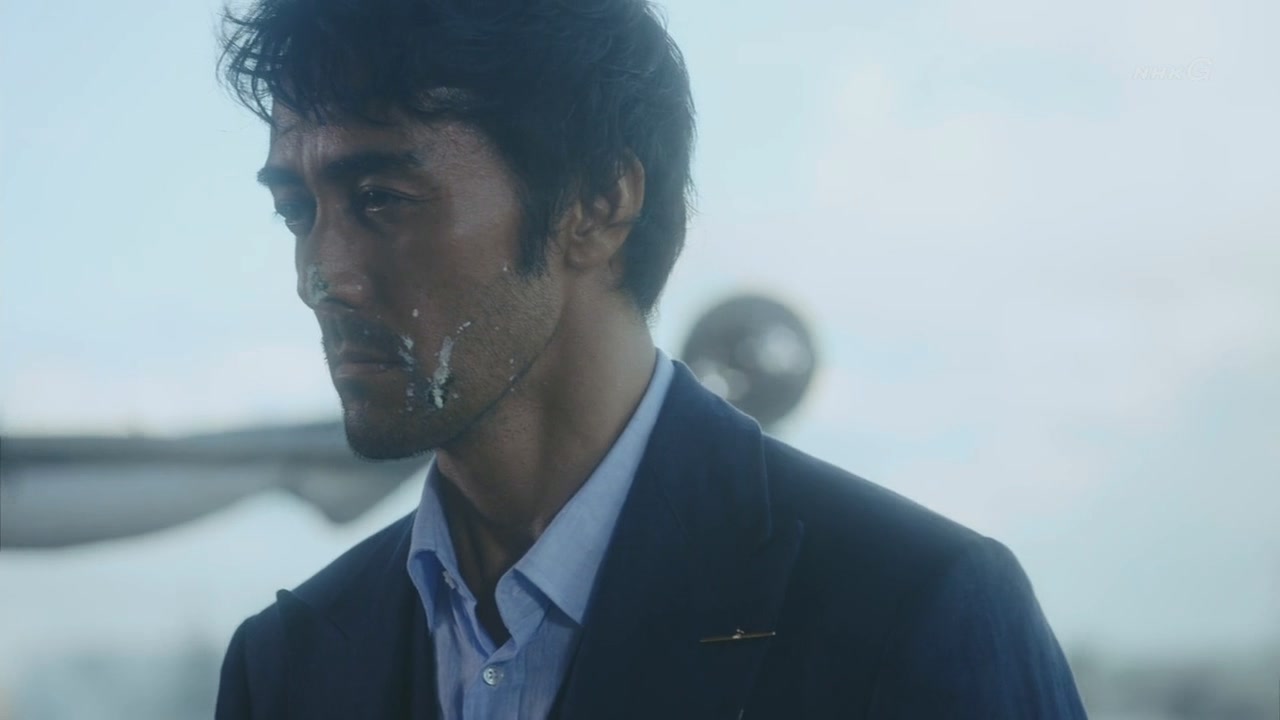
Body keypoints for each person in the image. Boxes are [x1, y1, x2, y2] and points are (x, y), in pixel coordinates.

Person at [214, 1, 1088, 717]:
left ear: (599, 202)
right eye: (298, 212)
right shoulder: (285, 666)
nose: (320, 278)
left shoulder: (910, 610)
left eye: (382, 199)